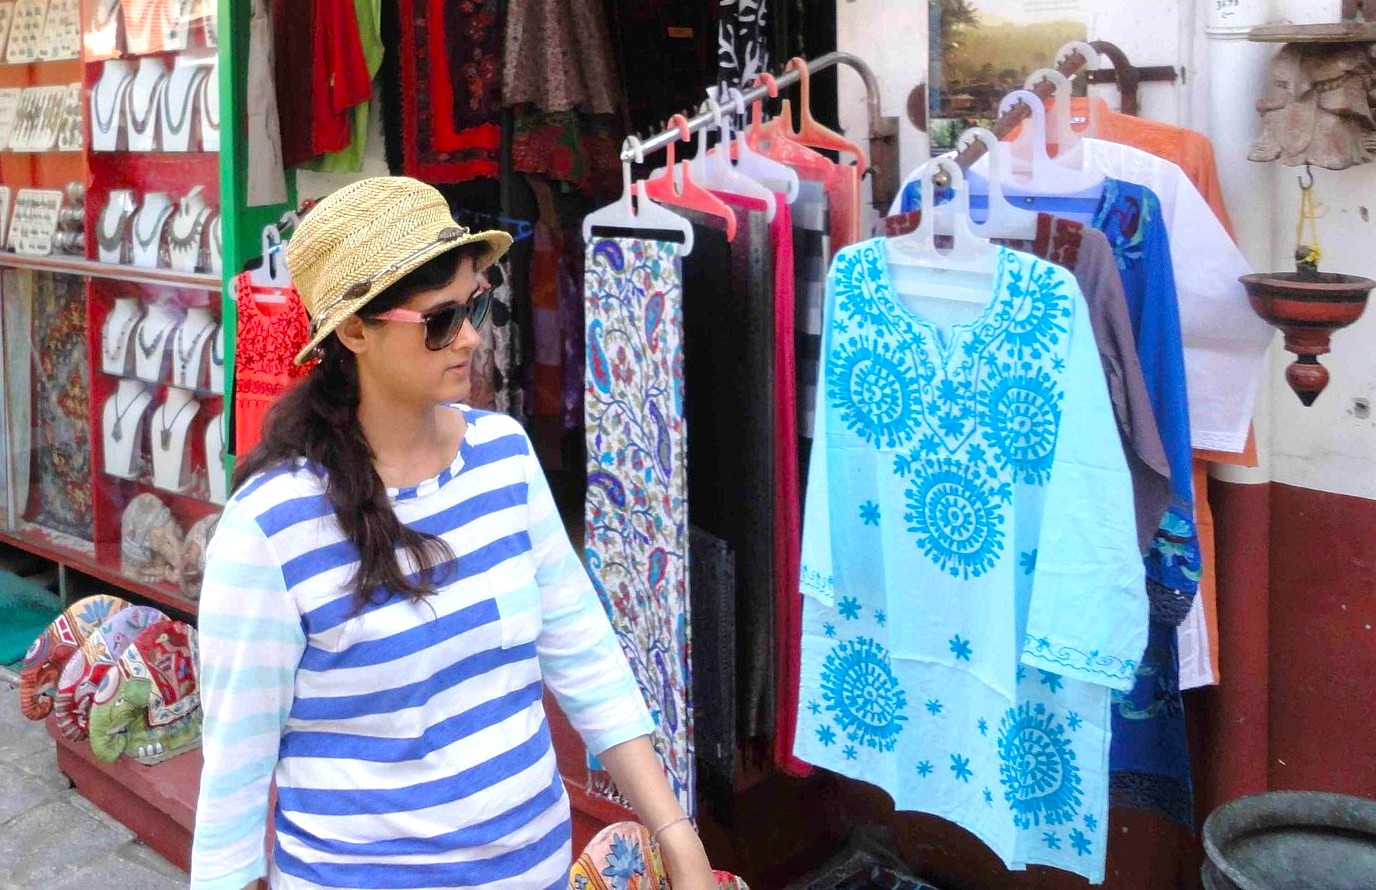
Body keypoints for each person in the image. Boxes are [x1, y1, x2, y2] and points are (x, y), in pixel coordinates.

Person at [190, 177, 716, 890]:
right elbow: (233, 785)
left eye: (473, 303)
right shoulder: (271, 529)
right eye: (439, 321)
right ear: (354, 331)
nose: (470, 336)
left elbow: (583, 651)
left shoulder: (503, 454)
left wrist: (675, 833)